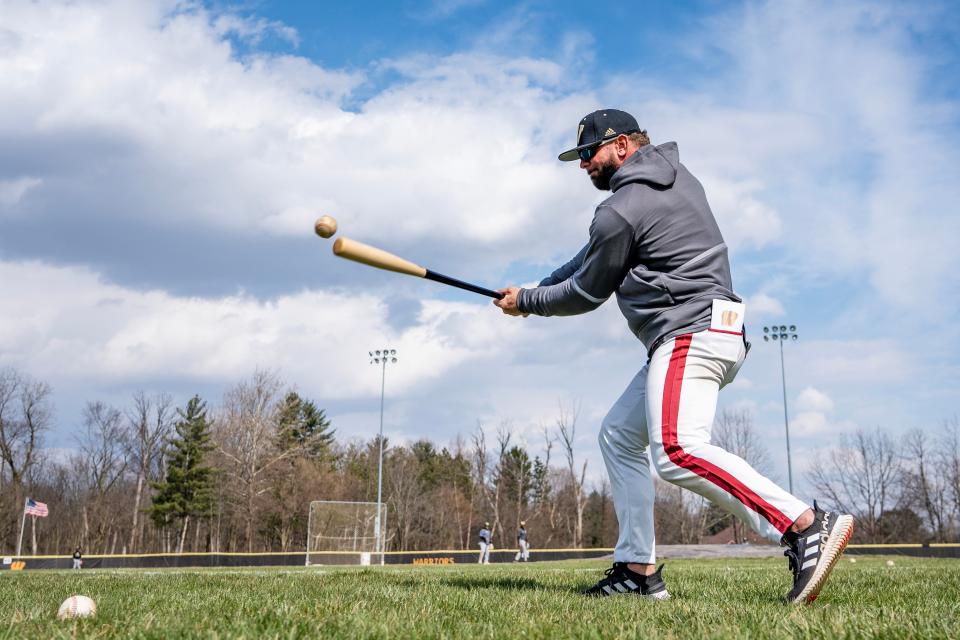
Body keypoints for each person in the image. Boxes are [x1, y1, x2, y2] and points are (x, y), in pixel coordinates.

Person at [494, 108, 854, 604]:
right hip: (713, 329)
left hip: (689, 331)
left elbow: (589, 291)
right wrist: (535, 287)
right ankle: (637, 571)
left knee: (677, 450)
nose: (582, 166)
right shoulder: (676, 178)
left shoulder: (620, 208)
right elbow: (589, 257)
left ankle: (804, 526)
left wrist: (529, 305)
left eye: (588, 153)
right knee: (619, 435)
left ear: (621, 146)